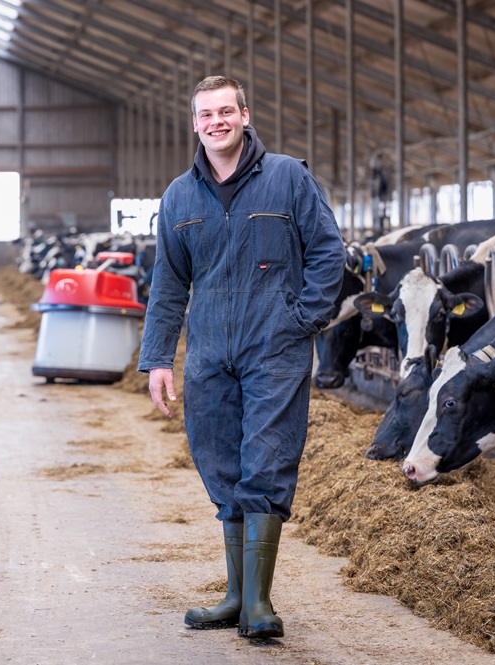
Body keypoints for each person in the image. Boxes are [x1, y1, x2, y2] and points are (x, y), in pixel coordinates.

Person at [137, 75, 346, 639]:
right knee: (219, 462)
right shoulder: (179, 196)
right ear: (196, 123)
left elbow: (330, 251)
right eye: (206, 114)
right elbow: (168, 285)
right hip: (207, 352)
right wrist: (158, 358)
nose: (217, 122)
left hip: (273, 346)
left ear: (245, 115)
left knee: (267, 459)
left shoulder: (287, 177)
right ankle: (234, 594)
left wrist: (303, 319)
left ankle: (258, 602)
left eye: (226, 111)